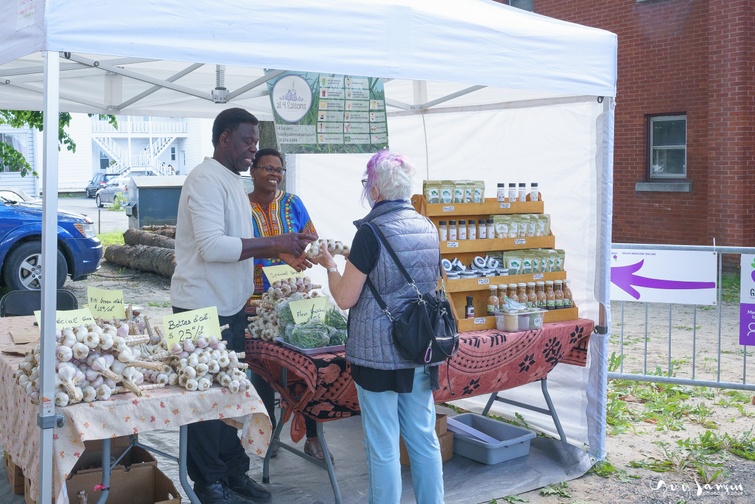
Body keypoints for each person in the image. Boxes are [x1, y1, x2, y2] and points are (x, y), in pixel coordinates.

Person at [170, 107, 316, 504]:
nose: (254, 149)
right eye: (247, 141)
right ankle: (209, 483)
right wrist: (275, 242)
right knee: (205, 400)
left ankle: (234, 472)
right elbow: (213, 247)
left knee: (230, 395)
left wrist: (283, 253)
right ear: (224, 139)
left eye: (255, 140)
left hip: (231, 307)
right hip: (199, 310)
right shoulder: (203, 180)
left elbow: (241, 243)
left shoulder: (232, 182)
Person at [311, 150, 444, 503]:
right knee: (423, 436)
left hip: (378, 354)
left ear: (375, 190)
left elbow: (344, 298)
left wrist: (329, 265)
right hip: (420, 347)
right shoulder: (428, 226)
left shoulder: (371, 232)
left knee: (383, 445)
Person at [245, 147, 334, 462]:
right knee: (262, 372)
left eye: (279, 169)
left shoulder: (292, 203)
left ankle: (313, 437)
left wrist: (306, 255)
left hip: (295, 300)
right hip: (255, 303)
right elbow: (234, 248)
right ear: (253, 170)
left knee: (306, 371)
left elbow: (311, 239)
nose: (274, 174)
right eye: (267, 168)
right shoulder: (241, 206)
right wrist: (273, 251)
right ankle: (267, 438)